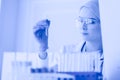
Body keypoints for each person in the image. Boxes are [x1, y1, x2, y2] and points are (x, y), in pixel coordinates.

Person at [33, 0, 104, 77]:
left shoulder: (112, 59)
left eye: (90, 21)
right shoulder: (66, 52)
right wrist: (42, 47)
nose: (83, 27)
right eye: (80, 20)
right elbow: (45, 76)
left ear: (103, 24)